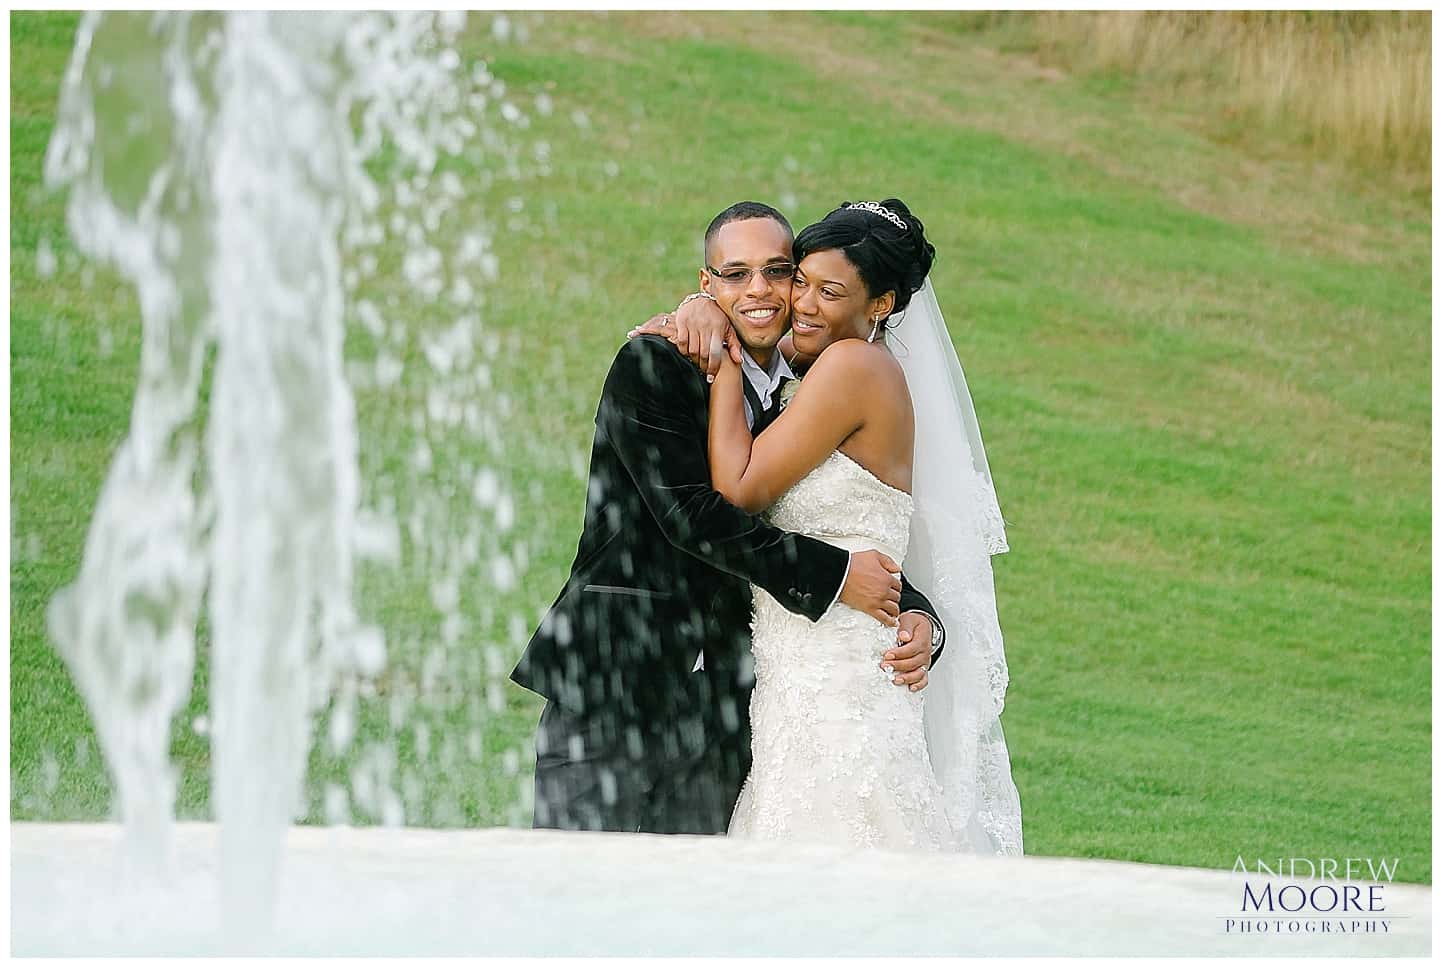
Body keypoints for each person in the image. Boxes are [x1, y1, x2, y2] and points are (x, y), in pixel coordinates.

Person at [510, 201, 947, 835]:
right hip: (612, 688)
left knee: (699, 917)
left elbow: (831, 517)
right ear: (705, 284)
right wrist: (832, 578)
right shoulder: (655, 363)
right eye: (735, 275)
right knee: (578, 908)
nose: (762, 291)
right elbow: (691, 515)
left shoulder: (809, 390)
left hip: (727, 712)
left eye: (779, 271)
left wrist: (916, 612)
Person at [643, 198, 1022, 853]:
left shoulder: (855, 368)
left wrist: (724, 353)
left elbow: (741, 486)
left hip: (837, 677)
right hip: (792, 669)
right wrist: (699, 305)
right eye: (802, 281)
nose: (804, 303)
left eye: (830, 291)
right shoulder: (819, 358)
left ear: (881, 305)